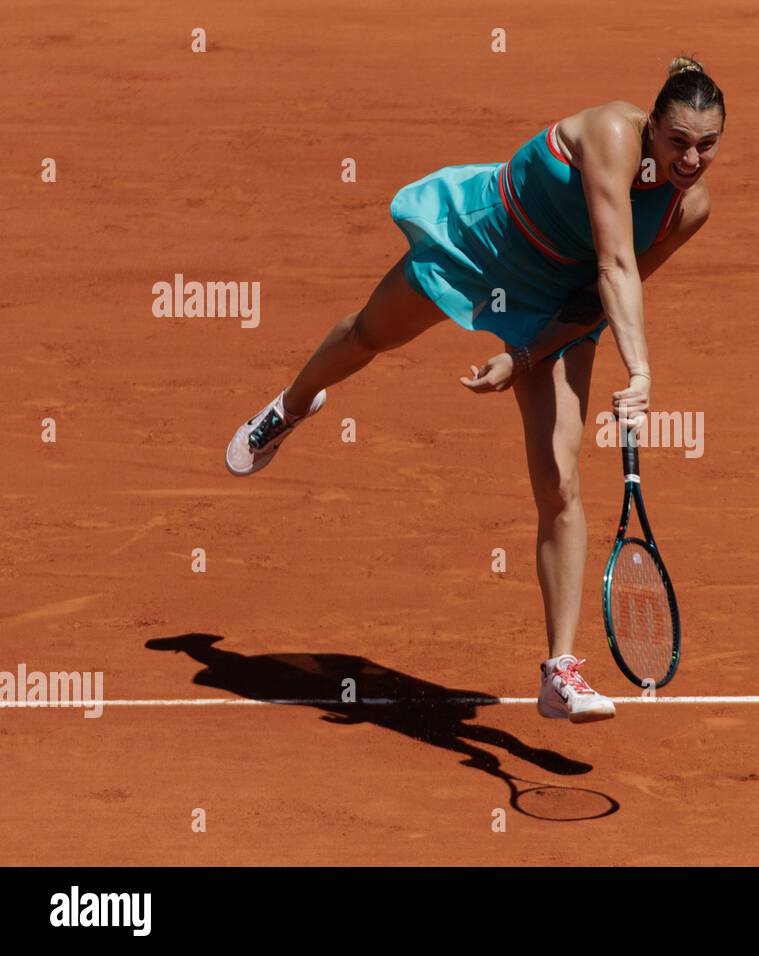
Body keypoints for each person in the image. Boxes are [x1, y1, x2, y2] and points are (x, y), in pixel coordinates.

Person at [225, 56, 725, 723]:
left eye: (708, 145)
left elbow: (599, 296)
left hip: (554, 300)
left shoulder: (687, 210)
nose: (691, 158)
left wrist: (524, 353)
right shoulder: (611, 131)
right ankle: (291, 406)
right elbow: (612, 259)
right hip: (486, 243)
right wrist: (640, 372)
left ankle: (560, 671)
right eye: (679, 141)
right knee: (370, 335)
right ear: (653, 125)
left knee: (560, 483)